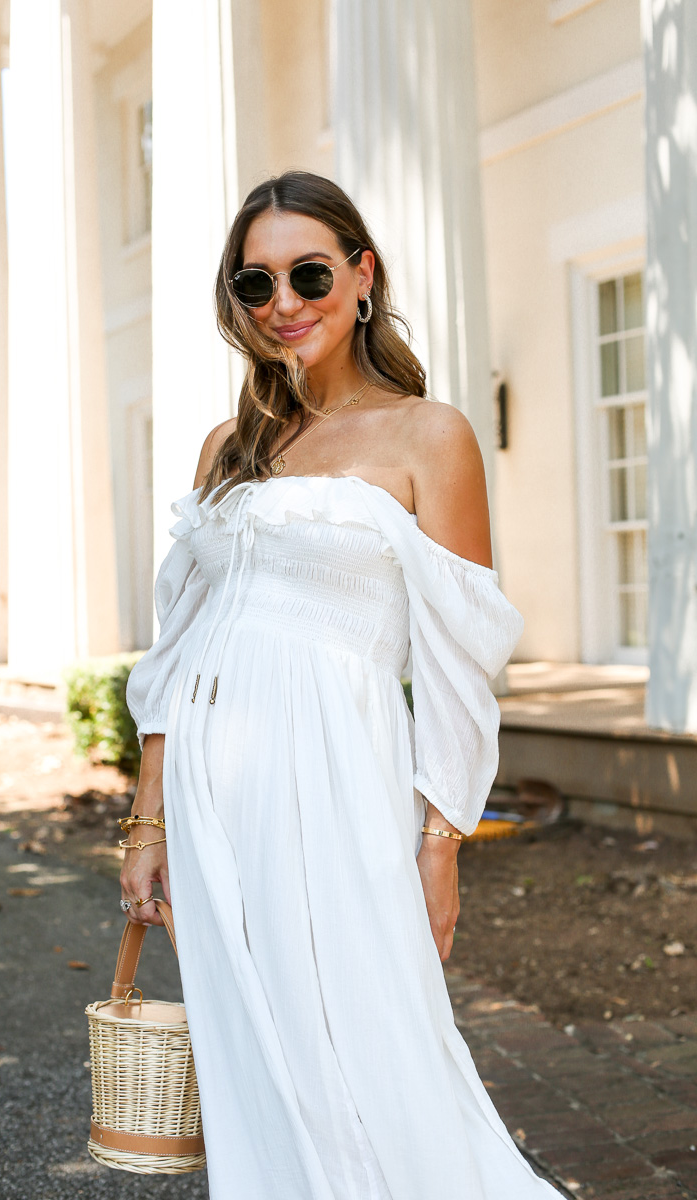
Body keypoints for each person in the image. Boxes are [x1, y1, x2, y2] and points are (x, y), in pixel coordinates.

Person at [121, 171, 560, 1198]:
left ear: (360, 276)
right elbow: (178, 647)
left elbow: (458, 664)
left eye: (307, 272)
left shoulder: (428, 434)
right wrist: (147, 822)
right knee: (252, 1060)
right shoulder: (228, 449)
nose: (283, 302)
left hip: (334, 783)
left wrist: (440, 839)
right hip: (210, 796)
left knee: (371, 1046)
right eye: (254, 283)